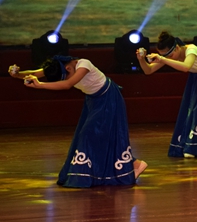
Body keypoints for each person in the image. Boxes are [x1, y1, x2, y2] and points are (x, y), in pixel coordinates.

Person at [8, 56, 147, 187]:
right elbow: (34, 73)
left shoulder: (84, 64)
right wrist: (17, 74)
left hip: (109, 99)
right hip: (93, 101)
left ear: (68, 69)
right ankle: (134, 164)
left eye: (66, 76)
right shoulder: (56, 66)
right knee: (98, 136)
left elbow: (67, 84)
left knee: (88, 134)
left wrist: (40, 85)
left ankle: (127, 166)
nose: (66, 78)